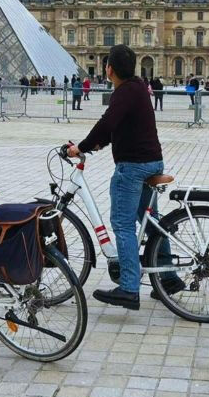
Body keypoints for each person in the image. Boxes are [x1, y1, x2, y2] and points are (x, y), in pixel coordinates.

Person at [66, 45, 181, 310]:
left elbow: (107, 122)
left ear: (109, 69)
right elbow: (116, 128)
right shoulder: (138, 87)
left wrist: (80, 147)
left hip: (133, 167)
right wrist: (97, 144)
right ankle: (168, 278)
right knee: (151, 221)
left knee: (122, 223)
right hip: (152, 161)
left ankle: (129, 287)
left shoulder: (123, 91)